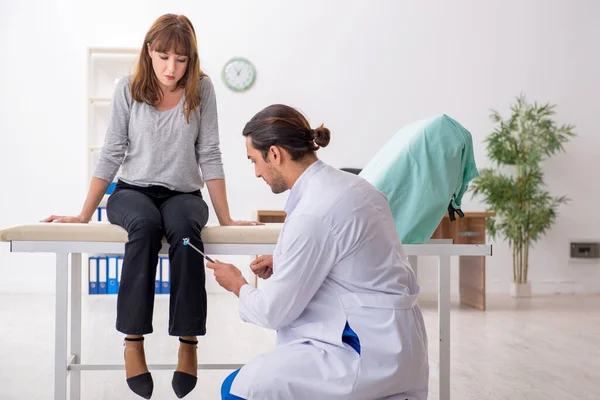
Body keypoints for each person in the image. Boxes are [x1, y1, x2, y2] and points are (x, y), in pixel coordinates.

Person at [42, 14, 258, 400]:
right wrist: (82, 213)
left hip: (184, 196)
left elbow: (209, 153)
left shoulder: (202, 90)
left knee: (186, 233)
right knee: (143, 226)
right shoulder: (128, 88)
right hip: (131, 191)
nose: (171, 68)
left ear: (191, 59)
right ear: (149, 52)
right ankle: (133, 340)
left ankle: (188, 342)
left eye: (180, 59)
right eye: (163, 57)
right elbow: (111, 153)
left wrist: (226, 219)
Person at [207, 104, 430, 400]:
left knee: (241, 390)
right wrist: (285, 260)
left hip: (361, 352)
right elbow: (355, 258)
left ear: (275, 154)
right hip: (400, 343)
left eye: (254, 161)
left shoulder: (312, 213)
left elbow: (274, 312)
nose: (257, 173)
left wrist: (236, 283)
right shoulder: (356, 187)